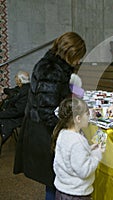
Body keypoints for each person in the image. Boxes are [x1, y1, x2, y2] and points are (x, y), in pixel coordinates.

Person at [13, 32, 86, 200]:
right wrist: (66, 131)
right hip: (44, 130)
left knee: (54, 179)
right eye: (77, 57)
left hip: (42, 126)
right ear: (70, 53)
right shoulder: (52, 69)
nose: (78, 61)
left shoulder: (54, 65)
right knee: (53, 179)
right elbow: (47, 109)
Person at [52, 97, 103, 200]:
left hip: (62, 190)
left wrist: (89, 149)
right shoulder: (78, 141)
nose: (89, 117)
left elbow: (70, 157)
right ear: (78, 118)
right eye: (87, 114)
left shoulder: (63, 133)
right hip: (76, 193)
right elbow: (85, 171)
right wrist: (97, 154)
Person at [0, 71, 30, 154]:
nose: (15, 79)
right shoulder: (22, 88)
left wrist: (1, 114)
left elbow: (18, 111)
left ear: (20, 80)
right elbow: (13, 92)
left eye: (16, 77)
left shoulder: (25, 92)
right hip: (11, 113)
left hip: (17, 118)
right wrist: (4, 90)